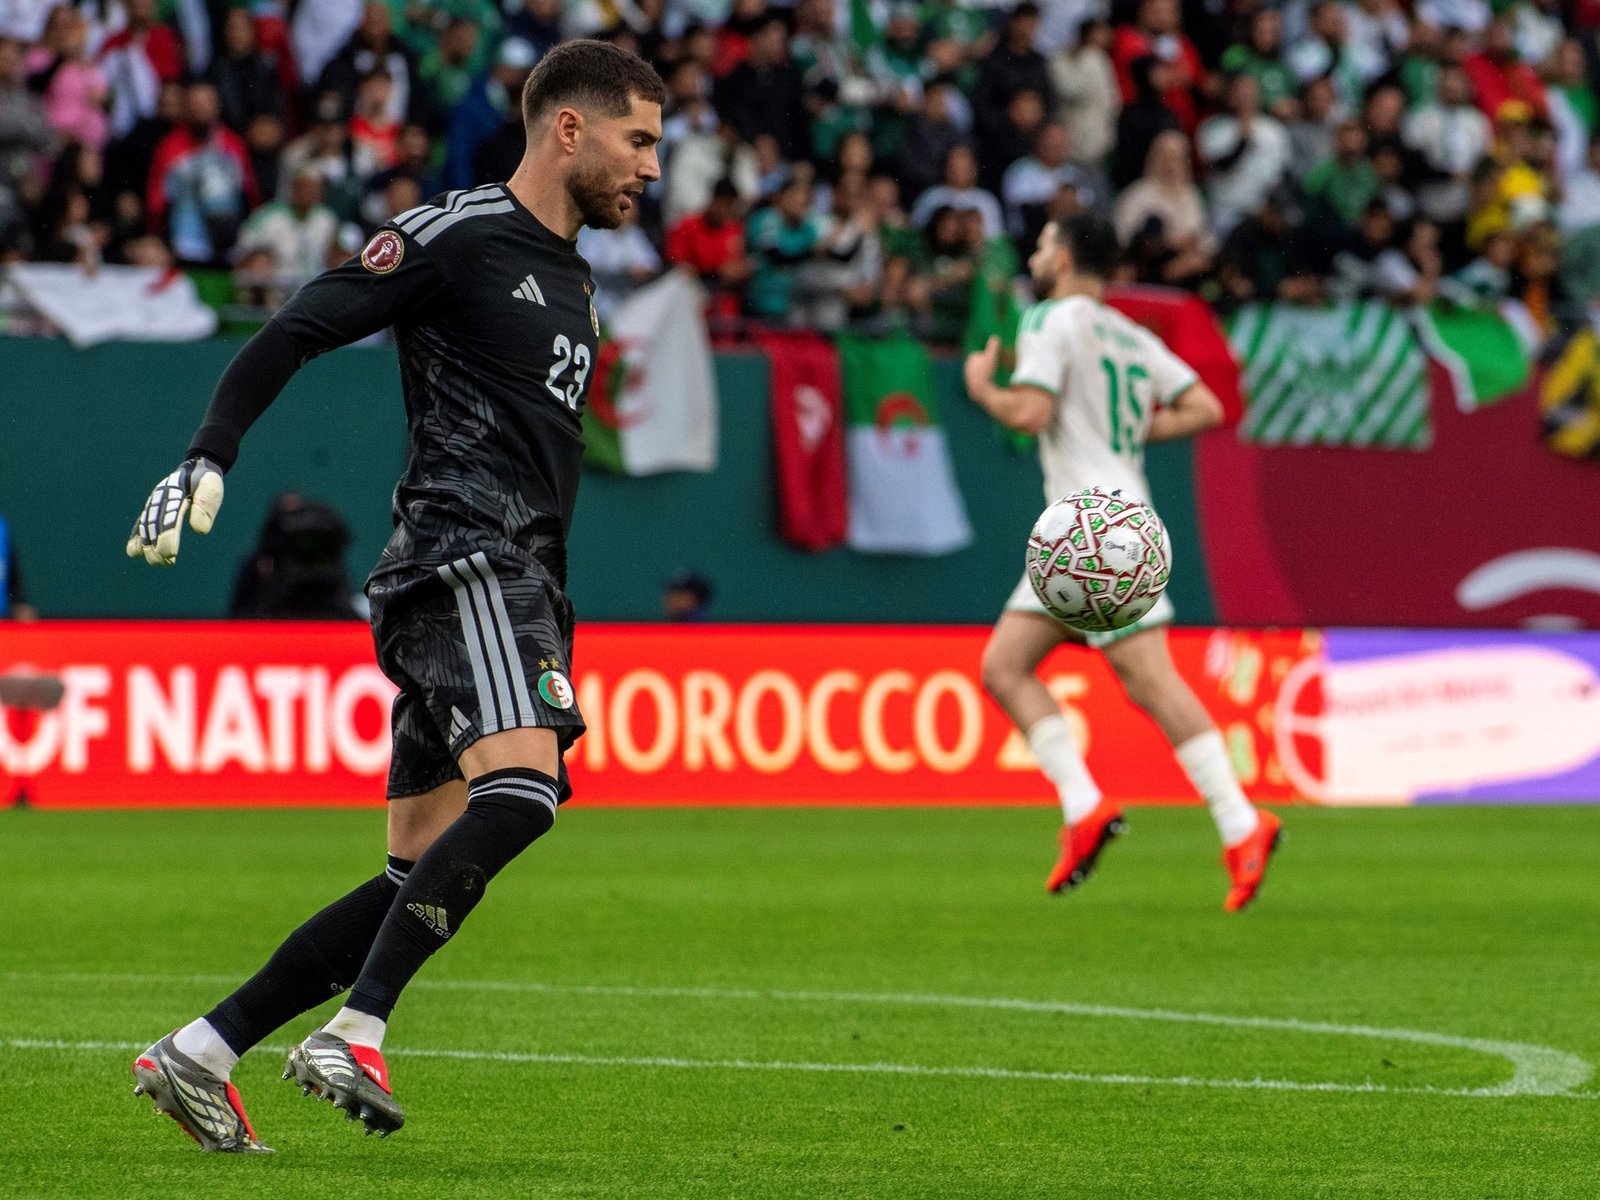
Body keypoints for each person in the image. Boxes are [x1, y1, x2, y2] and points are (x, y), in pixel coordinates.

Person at [124, 38, 664, 1152]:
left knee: (413, 873)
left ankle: (201, 1050)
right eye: (639, 139)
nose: (653, 168)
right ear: (568, 127)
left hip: (518, 574)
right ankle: (355, 1028)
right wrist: (209, 454)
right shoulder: (456, 236)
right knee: (524, 791)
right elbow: (300, 324)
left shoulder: (574, 274)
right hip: (465, 558)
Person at [962, 212, 1283, 910]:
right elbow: (1205, 406)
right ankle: (1087, 807)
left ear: (1069, 257)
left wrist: (984, 387)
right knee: (1007, 665)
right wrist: (1132, 430)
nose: (1038, 255)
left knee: (1150, 681)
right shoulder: (1130, 335)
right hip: (1116, 517)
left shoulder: (1050, 319)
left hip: (1089, 530)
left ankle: (1236, 820)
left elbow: (1030, 414)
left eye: (1046, 244)